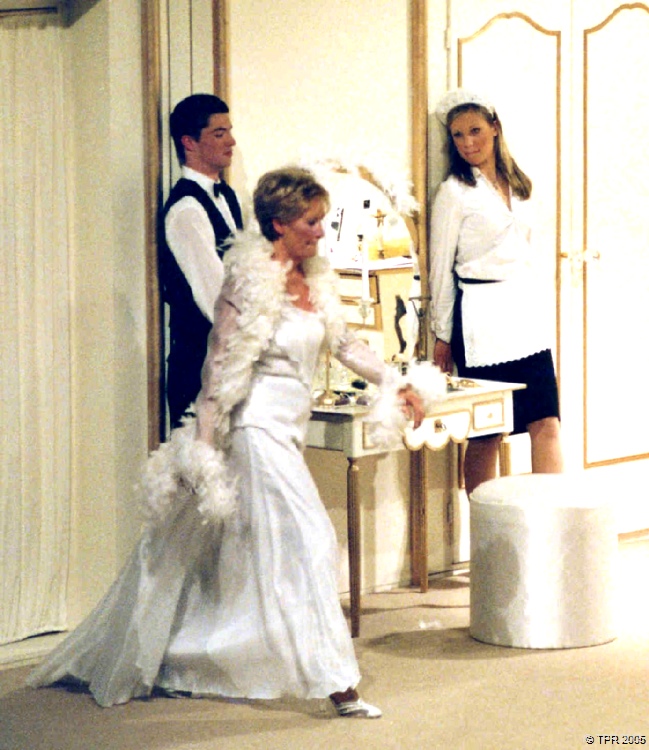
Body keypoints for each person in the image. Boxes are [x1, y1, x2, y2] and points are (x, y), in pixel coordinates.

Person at [28, 166, 438, 718]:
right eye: (312, 222)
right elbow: (219, 366)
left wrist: (396, 381)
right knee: (311, 539)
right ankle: (338, 683)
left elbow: (344, 344)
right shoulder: (247, 281)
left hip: (289, 429)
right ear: (279, 223)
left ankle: (187, 654)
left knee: (248, 555)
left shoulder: (316, 278)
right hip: (254, 427)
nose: (322, 231)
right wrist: (202, 448)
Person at [429, 88, 563, 497]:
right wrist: (441, 334)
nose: (467, 142)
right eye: (457, 135)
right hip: (480, 321)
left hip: (524, 317)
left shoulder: (520, 185)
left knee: (547, 422)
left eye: (474, 131)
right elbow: (440, 267)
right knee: (487, 430)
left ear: (495, 128)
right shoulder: (455, 192)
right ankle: (485, 527)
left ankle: (549, 518)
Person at [160, 93, 243, 429]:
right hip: (198, 368)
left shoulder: (228, 196)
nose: (231, 141)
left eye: (229, 131)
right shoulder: (187, 211)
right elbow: (215, 298)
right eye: (219, 133)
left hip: (229, 365)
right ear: (189, 142)